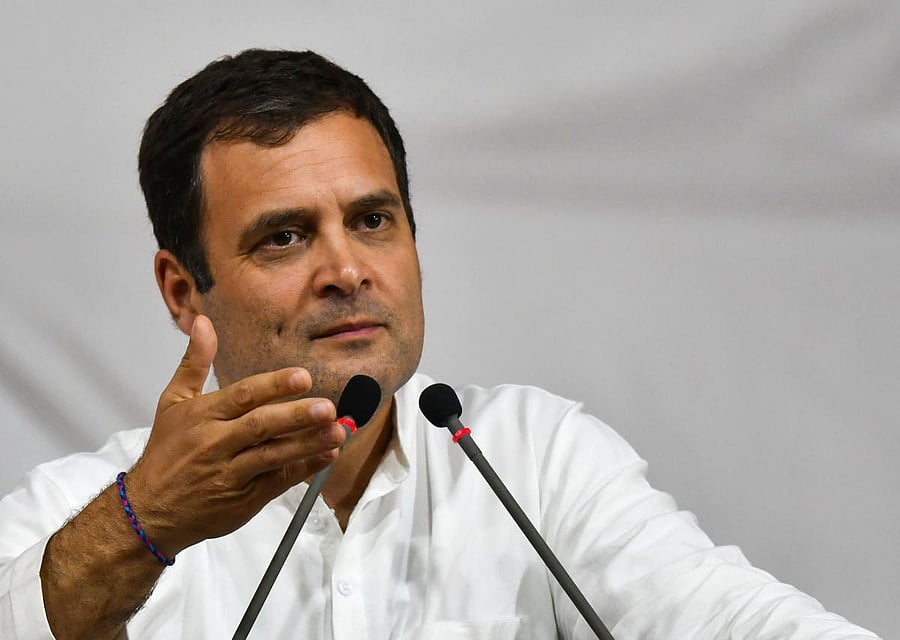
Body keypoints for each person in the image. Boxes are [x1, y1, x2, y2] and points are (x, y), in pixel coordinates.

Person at [0, 49, 880, 640]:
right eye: (285, 237)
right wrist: (144, 524)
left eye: (372, 220)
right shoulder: (74, 511)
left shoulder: (534, 461)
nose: (347, 270)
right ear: (183, 290)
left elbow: (727, 617)